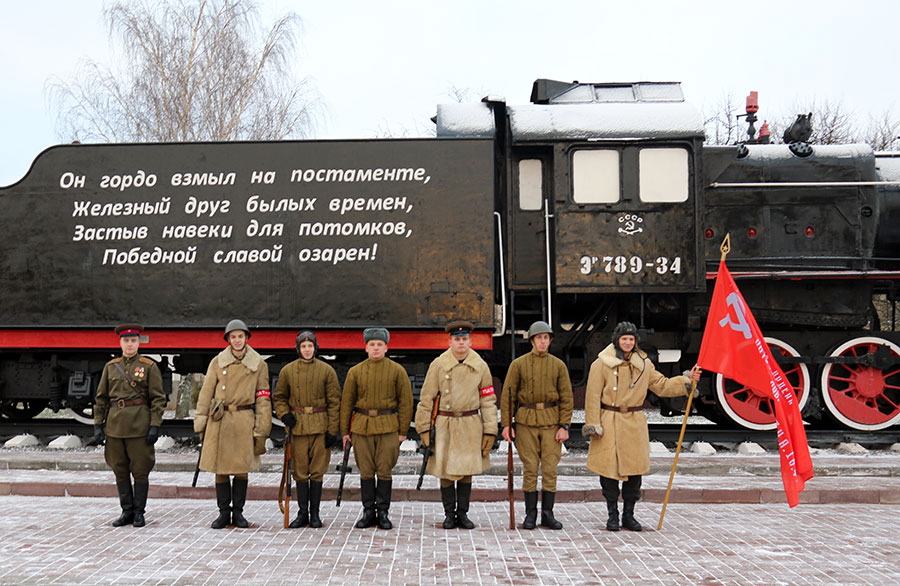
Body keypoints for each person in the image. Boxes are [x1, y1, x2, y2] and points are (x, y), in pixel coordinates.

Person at [582, 321, 701, 532]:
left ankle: (629, 515)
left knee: (634, 471)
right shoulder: (600, 364)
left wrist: (687, 381)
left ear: (635, 341)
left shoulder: (644, 364)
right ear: (617, 340)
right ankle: (612, 515)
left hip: (634, 423)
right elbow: (592, 397)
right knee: (608, 472)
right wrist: (593, 424)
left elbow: (662, 385)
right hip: (609, 421)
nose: (628, 342)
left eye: (631, 339)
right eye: (624, 339)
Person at [415, 320, 497, 530]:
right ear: (450, 341)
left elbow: (488, 400)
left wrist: (490, 429)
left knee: (466, 470)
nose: (461, 343)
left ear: (470, 341)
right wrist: (423, 428)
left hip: (470, 424)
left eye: (464, 339)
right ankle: (449, 514)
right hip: (445, 424)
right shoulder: (438, 365)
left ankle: (463, 514)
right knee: (446, 471)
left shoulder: (480, 366)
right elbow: (426, 398)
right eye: (457, 339)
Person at [193, 319, 272, 529]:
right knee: (220, 468)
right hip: (220, 420)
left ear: (246, 338)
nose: (237, 340)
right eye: (233, 337)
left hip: (244, 420)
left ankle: (238, 512)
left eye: (240, 336)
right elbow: (206, 393)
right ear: (228, 339)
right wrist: (201, 421)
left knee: (241, 468)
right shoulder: (217, 362)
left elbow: (263, 398)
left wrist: (261, 429)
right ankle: (223, 512)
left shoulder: (258, 364)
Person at [500, 320, 573, 530]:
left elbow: (567, 398)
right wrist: (507, 424)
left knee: (549, 469)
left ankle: (548, 514)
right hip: (526, 422)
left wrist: (564, 426)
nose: (543, 341)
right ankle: (530, 515)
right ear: (532, 340)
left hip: (551, 423)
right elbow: (508, 396)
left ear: (550, 341)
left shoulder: (558, 365)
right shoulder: (518, 365)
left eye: (546, 338)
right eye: (539, 338)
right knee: (530, 468)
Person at [93, 324, 166, 527]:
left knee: (141, 470)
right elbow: (101, 398)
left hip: (139, 426)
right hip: (115, 427)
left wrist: (154, 425)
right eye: (126, 341)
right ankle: (126, 511)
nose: (130, 344)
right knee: (120, 469)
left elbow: (158, 399)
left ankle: (139, 512)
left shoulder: (148, 367)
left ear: (138, 342)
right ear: (120, 343)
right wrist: (98, 425)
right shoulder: (110, 367)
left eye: (133, 340)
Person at [340, 327, 413, 530]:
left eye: (380, 344)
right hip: (361, 427)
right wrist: (345, 432)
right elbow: (347, 403)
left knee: (384, 470)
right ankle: (368, 512)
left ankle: (383, 512)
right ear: (366, 348)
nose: (376, 348)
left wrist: (403, 432)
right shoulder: (355, 372)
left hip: (388, 426)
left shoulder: (397, 371)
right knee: (365, 470)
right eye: (372, 345)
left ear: (386, 348)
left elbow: (406, 402)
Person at [273, 330, 341, 528]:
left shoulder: (327, 371)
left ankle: (315, 515)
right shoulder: (288, 371)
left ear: (315, 348)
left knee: (317, 472)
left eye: (310, 346)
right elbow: (279, 397)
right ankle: (302, 513)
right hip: (298, 427)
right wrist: (284, 415)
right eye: (303, 346)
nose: (307, 350)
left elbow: (334, 402)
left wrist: (332, 430)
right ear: (298, 349)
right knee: (300, 472)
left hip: (320, 427)